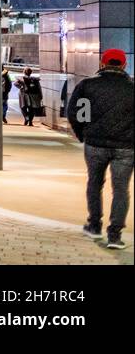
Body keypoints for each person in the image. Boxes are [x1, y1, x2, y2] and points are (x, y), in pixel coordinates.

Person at [66, 49, 133, 251]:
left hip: (95, 144)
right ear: (124, 65)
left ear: (102, 64)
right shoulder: (132, 88)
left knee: (95, 183)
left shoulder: (88, 86)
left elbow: (75, 113)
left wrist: (82, 134)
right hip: (126, 147)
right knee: (121, 189)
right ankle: (115, 235)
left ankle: (94, 225)